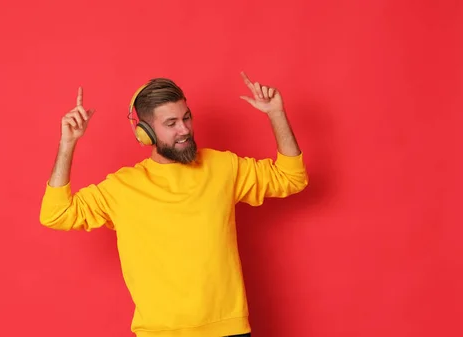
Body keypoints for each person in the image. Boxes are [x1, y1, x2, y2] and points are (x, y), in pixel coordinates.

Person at [39, 71, 309, 337]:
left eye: (187, 118)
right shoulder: (122, 187)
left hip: (228, 330)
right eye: (171, 123)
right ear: (145, 132)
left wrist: (276, 114)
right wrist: (68, 143)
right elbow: (56, 214)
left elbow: (291, 178)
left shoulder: (223, 166)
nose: (184, 130)